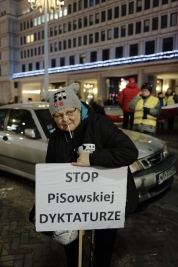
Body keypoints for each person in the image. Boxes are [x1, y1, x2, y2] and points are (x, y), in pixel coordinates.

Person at [42, 83, 139, 267]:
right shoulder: (55, 137)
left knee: (102, 249)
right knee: (72, 248)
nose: (65, 119)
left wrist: (93, 159)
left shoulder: (99, 124)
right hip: (73, 202)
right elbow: (52, 170)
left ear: (79, 109)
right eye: (58, 115)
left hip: (105, 201)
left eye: (70, 112)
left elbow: (129, 152)